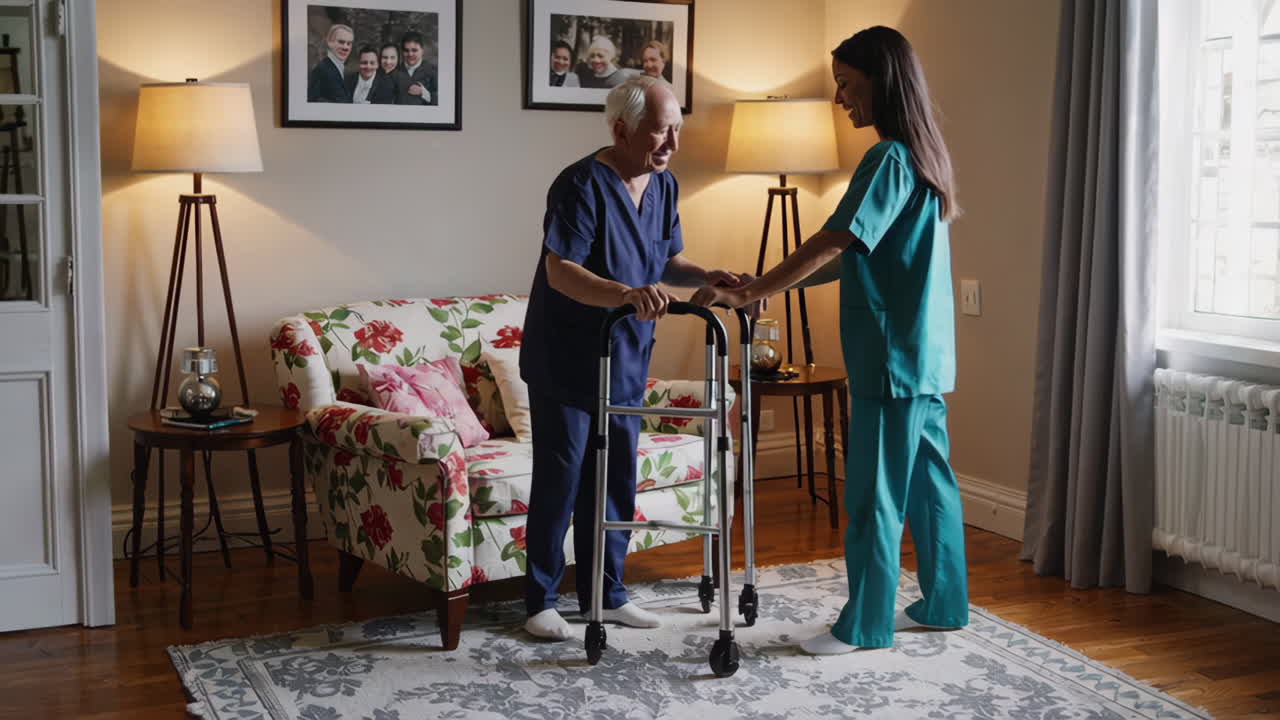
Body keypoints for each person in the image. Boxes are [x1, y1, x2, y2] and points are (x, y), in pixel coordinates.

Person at [692, 26, 969, 655]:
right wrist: (762, 285)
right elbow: (853, 255)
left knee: (873, 493)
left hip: (889, 358)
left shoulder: (888, 158)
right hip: (925, 355)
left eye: (846, 84)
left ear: (880, 80)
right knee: (930, 481)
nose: (840, 100)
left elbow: (836, 239)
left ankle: (865, 625)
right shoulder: (923, 154)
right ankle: (944, 604)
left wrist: (755, 289)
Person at [519, 75, 748, 641]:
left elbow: (666, 261)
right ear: (622, 129)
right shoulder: (580, 184)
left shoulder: (663, 185)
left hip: (624, 358)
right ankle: (540, 600)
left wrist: (709, 275)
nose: (672, 143)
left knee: (615, 477)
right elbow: (560, 271)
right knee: (562, 479)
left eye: (677, 129)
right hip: (566, 356)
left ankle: (607, 592)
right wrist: (626, 294)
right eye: (660, 130)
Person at [307, 23, 353, 103]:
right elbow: (313, 101)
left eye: (349, 43)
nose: (346, 47)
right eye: (341, 42)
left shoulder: (344, 71)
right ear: (329, 42)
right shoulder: (321, 70)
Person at [396, 30, 437, 105]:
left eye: (414, 50)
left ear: (422, 50)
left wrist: (423, 93)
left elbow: (443, 101)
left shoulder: (434, 71)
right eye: (406, 50)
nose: (410, 54)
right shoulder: (395, 71)